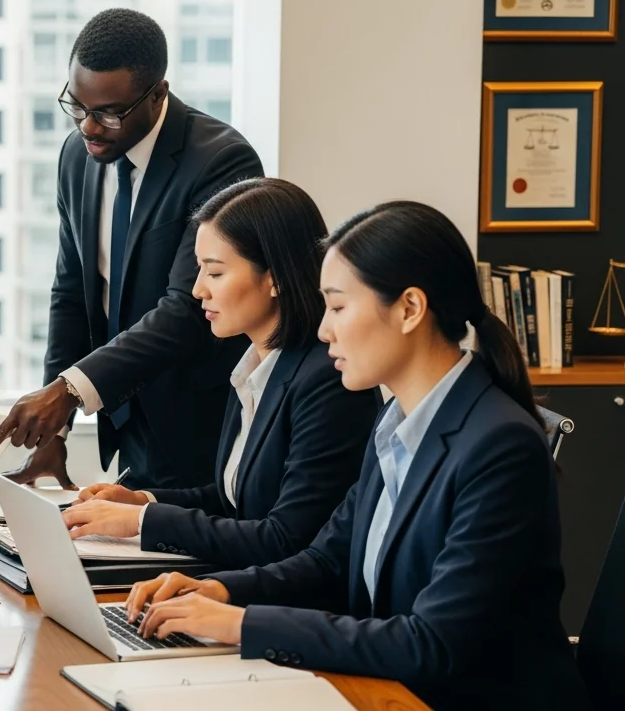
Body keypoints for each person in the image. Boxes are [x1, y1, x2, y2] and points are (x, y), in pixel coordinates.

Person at [120, 202, 588, 710]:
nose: (323, 331)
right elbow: (326, 560)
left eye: (338, 308)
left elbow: (433, 644)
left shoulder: (500, 446)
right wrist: (219, 591)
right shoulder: (397, 425)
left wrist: (245, 624)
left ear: (410, 309)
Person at [0, 8, 262, 490]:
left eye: (109, 113)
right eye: (77, 106)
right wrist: (56, 424)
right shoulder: (78, 156)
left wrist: (70, 391)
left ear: (158, 94)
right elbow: (70, 293)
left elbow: (187, 308)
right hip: (127, 419)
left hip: (198, 424)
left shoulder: (221, 161)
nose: (89, 128)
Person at [60, 178, 380, 569]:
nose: (197, 290)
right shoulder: (252, 366)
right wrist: (144, 501)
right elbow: (234, 500)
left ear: (275, 277)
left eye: (214, 273)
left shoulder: (328, 381)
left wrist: (142, 521)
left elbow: (286, 537)